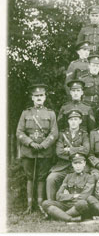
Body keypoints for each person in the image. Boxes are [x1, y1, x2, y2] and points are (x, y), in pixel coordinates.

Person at [16, 83, 58, 214]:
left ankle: (40, 204)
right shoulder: (25, 113)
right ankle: (29, 205)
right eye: (36, 96)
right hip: (29, 151)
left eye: (41, 95)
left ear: (45, 97)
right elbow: (19, 132)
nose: (39, 97)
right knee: (30, 177)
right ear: (32, 98)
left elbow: (54, 133)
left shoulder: (51, 114)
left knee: (41, 177)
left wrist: (44, 144)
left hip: (45, 152)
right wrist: (30, 143)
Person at [47, 110, 90, 201]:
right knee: (51, 178)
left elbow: (86, 150)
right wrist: (78, 148)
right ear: (68, 121)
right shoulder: (62, 134)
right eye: (71, 120)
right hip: (63, 166)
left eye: (76, 119)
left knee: (88, 177)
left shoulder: (84, 134)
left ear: (80, 121)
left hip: (79, 165)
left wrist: (68, 149)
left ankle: (82, 204)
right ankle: (51, 204)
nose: (73, 122)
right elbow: (59, 152)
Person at [42, 153, 94, 222]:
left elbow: (84, 196)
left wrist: (67, 196)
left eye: (80, 163)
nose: (78, 166)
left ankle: (59, 216)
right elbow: (58, 196)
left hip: (77, 205)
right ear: (72, 164)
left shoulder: (89, 177)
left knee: (82, 203)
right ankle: (71, 219)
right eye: (75, 163)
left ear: (84, 163)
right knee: (46, 203)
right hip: (65, 204)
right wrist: (74, 196)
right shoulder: (68, 176)